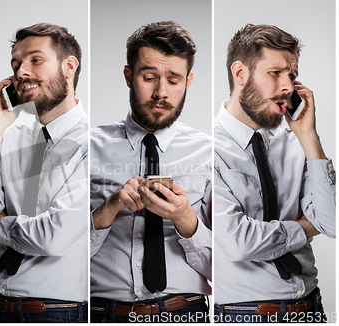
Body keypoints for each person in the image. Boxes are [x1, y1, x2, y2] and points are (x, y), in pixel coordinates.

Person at [90, 21, 212, 323]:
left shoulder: (211, 154)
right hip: (101, 314)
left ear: (189, 81)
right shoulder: (84, 148)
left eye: (174, 80)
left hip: (185, 314)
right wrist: (109, 208)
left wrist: (186, 219)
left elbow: (232, 268)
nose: (161, 92)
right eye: (149, 77)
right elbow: (56, 258)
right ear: (129, 76)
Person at [0, 23, 88, 323]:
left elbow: (51, 238)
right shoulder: (9, 135)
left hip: (57, 313)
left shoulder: (92, 146)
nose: (21, 72)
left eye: (35, 60)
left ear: (69, 66)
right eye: (16, 64)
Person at [214, 24, 335, 323]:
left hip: (311, 307)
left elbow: (332, 222)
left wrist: (309, 138)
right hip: (244, 315)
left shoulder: (296, 143)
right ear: (240, 74)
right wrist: (306, 227)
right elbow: (240, 242)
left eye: (292, 75)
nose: (288, 87)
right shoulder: (206, 149)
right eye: (276, 73)